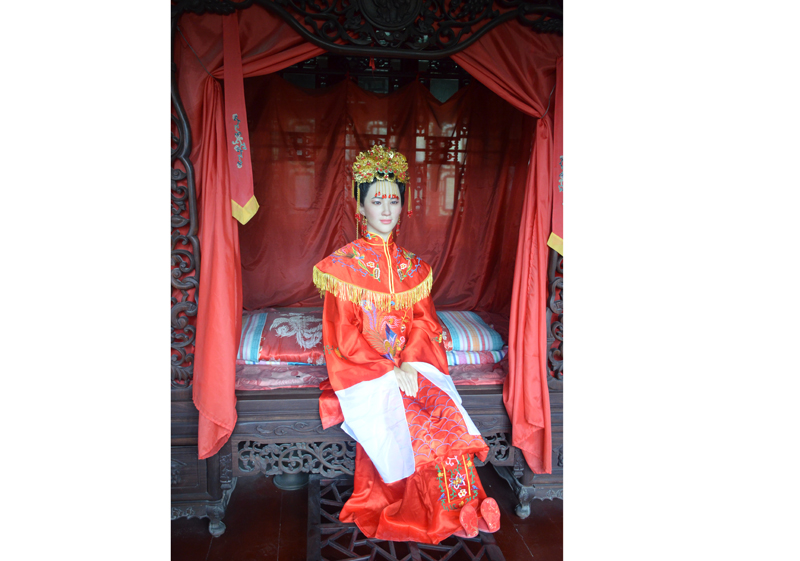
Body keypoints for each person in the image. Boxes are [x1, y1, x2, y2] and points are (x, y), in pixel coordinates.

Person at [312, 145, 500, 544]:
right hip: (367, 372)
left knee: (446, 413)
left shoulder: (415, 268)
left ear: (403, 206)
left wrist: (411, 363)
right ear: (360, 206)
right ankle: (446, 513)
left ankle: (470, 501)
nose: (386, 209)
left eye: (393, 200)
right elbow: (342, 336)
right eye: (376, 200)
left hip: (413, 367)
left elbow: (424, 323)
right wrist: (388, 369)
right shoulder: (342, 268)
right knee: (417, 427)